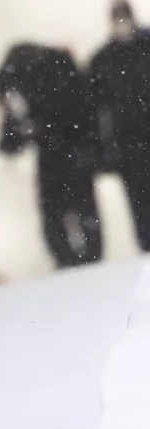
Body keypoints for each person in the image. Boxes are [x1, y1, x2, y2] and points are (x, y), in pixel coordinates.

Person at [0, 43, 102, 268]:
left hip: (65, 149)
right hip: (68, 149)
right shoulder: (47, 68)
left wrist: (26, 131)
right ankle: (87, 259)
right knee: (79, 210)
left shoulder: (17, 77)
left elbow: (17, 122)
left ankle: (71, 259)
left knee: (61, 212)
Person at [90, 1, 150, 251]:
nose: (122, 24)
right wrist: (105, 148)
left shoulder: (147, 48)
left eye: (125, 19)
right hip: (128, 145)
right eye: (118, 19)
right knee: (139, 202)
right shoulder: (103, 59)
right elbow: (95, 110)